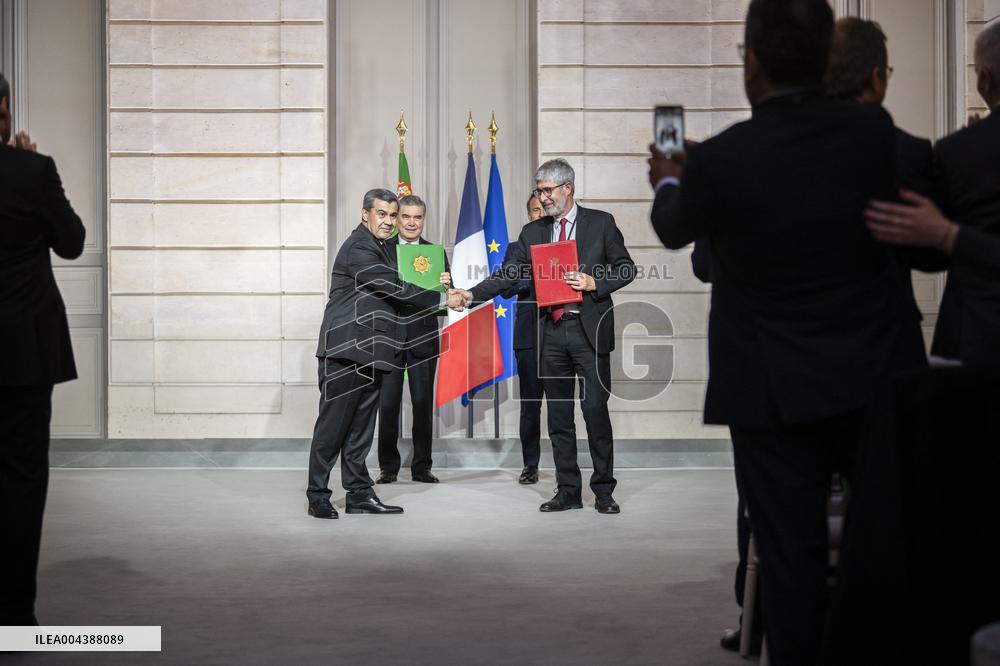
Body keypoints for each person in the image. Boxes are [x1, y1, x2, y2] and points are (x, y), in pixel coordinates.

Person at [646, 1, 926, 663]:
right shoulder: (880, 140)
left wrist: (668, 179)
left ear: (752, 63)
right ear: (829, 58)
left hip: (769, 392)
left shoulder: (721, 159)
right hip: (870, 380)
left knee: (790, 566)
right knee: (883, 558)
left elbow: (672, 228)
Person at [449, 159, 635, 514]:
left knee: (594, 410)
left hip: (589, 331)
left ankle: (604, 491)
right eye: (539, 191)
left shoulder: (601, 223)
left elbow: (626, 267)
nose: (543, 197)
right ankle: (567, 491)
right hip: (550, 333)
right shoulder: (532, 233)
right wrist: (471, 294)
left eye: (548, 190)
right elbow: (506, 276)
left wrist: (596, 283)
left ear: (568, 188)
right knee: (559, 416)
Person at [0, 71, 86, 625]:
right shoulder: (31, 169)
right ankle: (13, 615)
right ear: (3, 110)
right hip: (21, 355)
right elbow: (73, 243)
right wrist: (30, 166)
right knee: (21, 480)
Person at [865, 20, 1000, 367]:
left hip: (977, 342)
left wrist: (947, 234)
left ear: (985, 80)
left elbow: (929, 254)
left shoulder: (958, 153)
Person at [306, 189, 447, 519]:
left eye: (392, 215)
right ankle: (317, 495)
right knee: (332, 429)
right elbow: (395, 288)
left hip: (371, 353)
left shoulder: (384, 249)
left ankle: (358, 494)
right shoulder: (360, 247)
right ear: (365, 214)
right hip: (345, 352)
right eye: (381, 214)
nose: (388, 221)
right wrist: (442, 299)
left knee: (360, 431)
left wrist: (440, 285)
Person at [375, 194, 450, 485]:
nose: (411, 223)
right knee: (388, 405)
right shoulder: (383, 249)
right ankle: (388, 468)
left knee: (422, 403)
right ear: (397, 218)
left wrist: (447, 284)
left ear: (423, 220)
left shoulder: (435, 252)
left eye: (417, 217)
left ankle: (422, 467)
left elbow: (446, 294)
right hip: (390, 338)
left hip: (423, 337)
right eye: (405, 216)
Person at [509, 195, 546, 485]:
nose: (541, 213)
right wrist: (538, 272)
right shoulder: (516, 248)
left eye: (545, 208)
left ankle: (564, 463)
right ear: (529, 214)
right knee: (530, 405)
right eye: (535, 209)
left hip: (563, 336)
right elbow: (509, 288)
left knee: (562, 405)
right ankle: (530, 465)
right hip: (529, 338)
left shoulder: (568, 246)